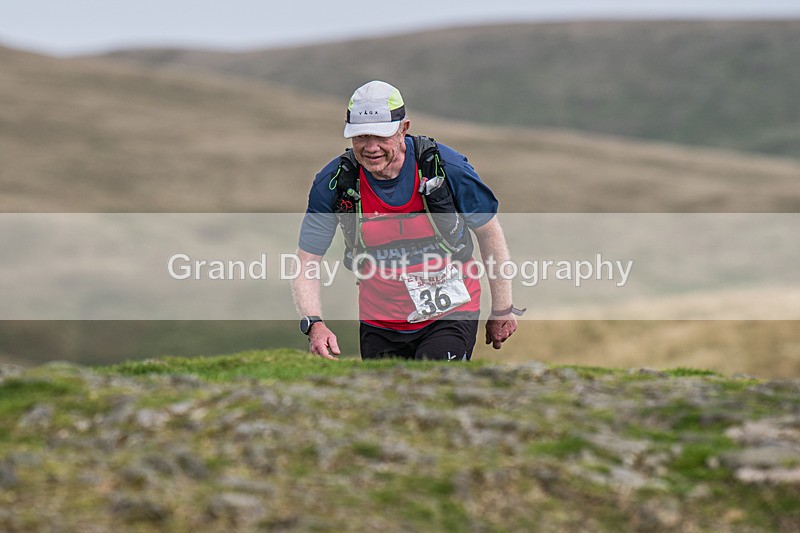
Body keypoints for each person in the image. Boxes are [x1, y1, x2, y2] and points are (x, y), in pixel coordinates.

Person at [292, 80, 523, 361]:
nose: (371, 147)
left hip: (451, 313)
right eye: (361, 136)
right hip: (380, 323)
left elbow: (489, 234)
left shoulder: (447, 167)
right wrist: (314, 323)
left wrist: (502, 308)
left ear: (404, 128)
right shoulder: (335, 182)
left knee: (435, 380)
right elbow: (307, 260)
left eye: (381, 135)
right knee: (387, 390)